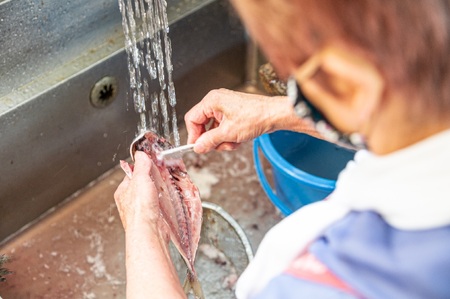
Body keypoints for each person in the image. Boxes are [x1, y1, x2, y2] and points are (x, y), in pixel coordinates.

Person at [114, 1, 450, 298]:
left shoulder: (329, 284)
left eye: (294, 77)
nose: (295, 91)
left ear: (348, 88)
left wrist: (145, 225)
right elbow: (397, 114)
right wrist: (276, 113)